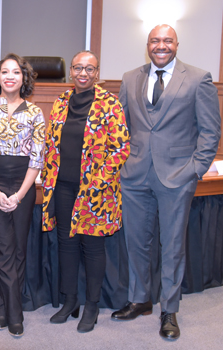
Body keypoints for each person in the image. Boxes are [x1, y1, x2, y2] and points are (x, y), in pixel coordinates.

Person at [111, 24, 220, 340]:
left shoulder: (198, 78)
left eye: (167, 40)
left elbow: (211, 131)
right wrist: (122, 165)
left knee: (172, 246)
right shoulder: (131, 78)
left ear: (177, 44)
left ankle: (169, 310)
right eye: (155, 40)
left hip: (177, 176)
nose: (161, 45)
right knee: (136, 241)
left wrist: (195, 169)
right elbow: (122, 127)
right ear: (147, 45)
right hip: (134, 175)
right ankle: (140, 299)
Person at [42, 51, 130, 333]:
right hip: (63, 186)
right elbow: (51, 144)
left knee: (92, 248)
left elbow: (121, 149)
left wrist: (98, 181)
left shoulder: (109, 103)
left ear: (97, 72)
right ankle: (71, 301)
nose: (83, 73)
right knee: (66, 243)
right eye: (78, 67)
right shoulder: (61, 102)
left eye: (89, 69)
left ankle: (92, 305)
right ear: (70, 71)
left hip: (95, 191)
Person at [0, 54, 44, 337]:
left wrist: (18, 195)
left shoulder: (35, 112)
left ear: (23, 78)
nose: (9, 76)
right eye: (4, 72)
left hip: (24, 185)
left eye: (15, 72)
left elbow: (37, 158)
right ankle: (15, 314)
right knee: (4, 248)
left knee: (18, 249)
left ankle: (3, 306)